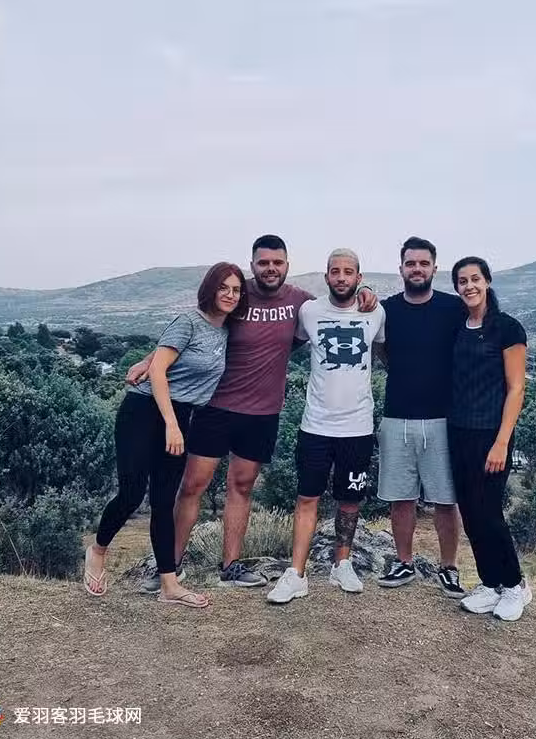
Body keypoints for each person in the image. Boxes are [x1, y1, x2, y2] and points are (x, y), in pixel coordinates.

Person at [127, 236, 378, 591]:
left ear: (287, 265)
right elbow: (198, 326)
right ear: (253, 264)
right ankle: (170, 566)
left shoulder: (300, 303)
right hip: (217, 406)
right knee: (193, 486)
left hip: (262, 413)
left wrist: (366, 289)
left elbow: (342, 298)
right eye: (263, 263)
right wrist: (151, 358)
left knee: (242, 487)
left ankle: (230, 566)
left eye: (277, 263)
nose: (270, 269)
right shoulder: (237, 294)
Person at [83, 263, 248, 607]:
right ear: (210, 289)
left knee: (163, 501)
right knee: (132, 493)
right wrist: (171, 423)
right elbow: (159, 371)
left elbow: (163, 354)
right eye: (223, 288)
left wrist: (150, 361)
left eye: (236, 289)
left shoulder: (228, 329)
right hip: (144, 411)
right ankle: (97, 550)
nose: (230, 295)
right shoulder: (189, 321)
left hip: (181, 415)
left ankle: (169, 585)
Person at [267, 249, 386, 604]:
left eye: (348, 272)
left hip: (358, 426)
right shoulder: (309, 311)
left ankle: (342, 564)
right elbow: (285, 345)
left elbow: (386, 353)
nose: (341, 277)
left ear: (359, 278)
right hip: (316, 425)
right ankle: (296, 574)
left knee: (350, 500)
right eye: (335, 271)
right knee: (307, 497)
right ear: (326, 276)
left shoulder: (376, 312)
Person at [374, 237, 467, 598]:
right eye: (410, 263)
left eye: (423, 263)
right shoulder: (386, 310)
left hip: (443, 419)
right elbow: (382, 350)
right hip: (397, 416)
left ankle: (449, 568)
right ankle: (404, 562)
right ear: (401, 268)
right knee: (401, 497)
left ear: (434, 268)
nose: (417, 269)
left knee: (446, 498)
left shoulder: (453, 308)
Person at [447, 256, 532, 621]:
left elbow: (516, 389)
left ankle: (514, 585)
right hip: (458, 431)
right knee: (469, 510)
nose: (469, 286)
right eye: (462, 281)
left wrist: (502, 442)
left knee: (489, 512)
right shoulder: (458, 325)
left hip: (492, 434)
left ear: (487, 282)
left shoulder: (507, 328)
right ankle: (490, 582)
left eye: (475, 279)